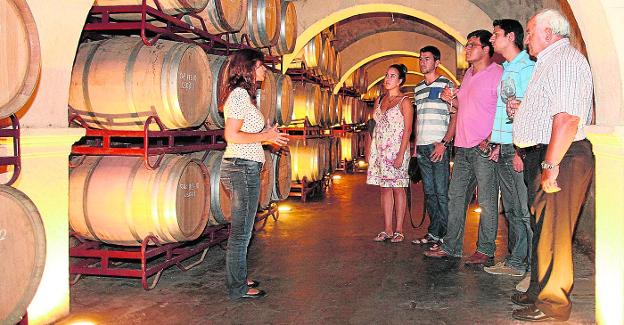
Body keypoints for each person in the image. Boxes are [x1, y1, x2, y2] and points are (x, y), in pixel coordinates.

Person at [509, 9, 594, 322]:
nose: (526, 38)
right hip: (551, 155)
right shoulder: (548, 62)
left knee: (554, 233)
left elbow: (568, 118)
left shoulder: (566, 60)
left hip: (563, 157)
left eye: (530, 32)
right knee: (543, 231)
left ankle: (554, 305)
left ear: (548, 32)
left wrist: (550, 163)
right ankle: (539, 292)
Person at [424, 30, 503, 265]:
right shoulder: (468, 74)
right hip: (462, 147)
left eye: (472, 45)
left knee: (487, 202)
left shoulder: (498, 74)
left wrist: (491, 139)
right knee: (455, 198)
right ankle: (451, 246)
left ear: (486, 49)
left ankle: (485, 249)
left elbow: (503, 110)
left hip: (483, 148)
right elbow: (465, 105)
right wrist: (451, 99)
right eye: (466, 45)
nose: (466, 49)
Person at [219, 49, 289, 300]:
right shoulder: (238, 96)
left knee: (244, 230)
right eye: (260, 66)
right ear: (248, 68)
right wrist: (265, 136)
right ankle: (237, 288)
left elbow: (246, 135)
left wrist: (268, 134)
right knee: (241, 232)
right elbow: (232, 135)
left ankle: (239, 276)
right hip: (242, 167)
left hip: (245, 165)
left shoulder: (246, 97)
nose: (264, 71)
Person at [483, 19, 534, 278]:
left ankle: (530, 265)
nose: (492, 39)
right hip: (503, 146)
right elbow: (504, 111)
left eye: (496, 34)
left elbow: (527, 113)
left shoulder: (526, 68)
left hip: (517, 148)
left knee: (523, 210)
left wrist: (519, 150)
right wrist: (497, 142)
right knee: (512, 209)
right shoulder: (507, 68)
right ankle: (516, 260)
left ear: (511, 36)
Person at [410, 46, 456, 245]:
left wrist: (445, 143)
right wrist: (415, 147)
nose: (422, 62)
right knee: (429, 193)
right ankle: (434, 232)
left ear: (437, 62)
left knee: (442, 193)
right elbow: (419, 118)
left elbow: (455, 114)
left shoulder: (446, 84)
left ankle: (447, 236)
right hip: (422, 146)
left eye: (427, 59)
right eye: (421, 59)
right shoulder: (418, 88)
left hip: (438, 146)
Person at [367, 63, 413, 243]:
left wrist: (401, 155)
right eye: (386, 75)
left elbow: (408, 130)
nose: (387, 79)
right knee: (384, 189)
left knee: (398, 188)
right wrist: (370, 149)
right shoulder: (379, 100)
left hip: (396, 151)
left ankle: (399, 230)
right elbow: (374, 126)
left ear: (400, 80)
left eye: (392, 76)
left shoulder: (405, 101)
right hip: (380, 151)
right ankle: (387, 229)